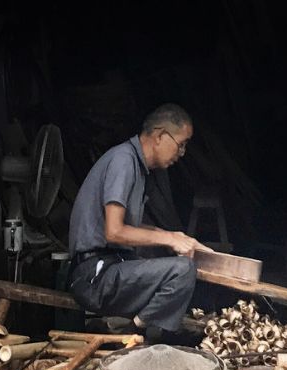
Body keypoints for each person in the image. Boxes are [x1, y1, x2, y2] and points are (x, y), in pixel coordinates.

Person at [67, 103, 212, 339]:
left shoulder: (136, 165)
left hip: (110, 267)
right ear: (160, 136)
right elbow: (114, 232)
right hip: (94, 276)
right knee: (183, 270)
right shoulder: (123, 161)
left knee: (175, 265)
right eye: (181, 144)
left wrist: (177, 238)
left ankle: (135, 329)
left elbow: (131, 228)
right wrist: (167, 238)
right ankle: (132, 331)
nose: (182, 153)